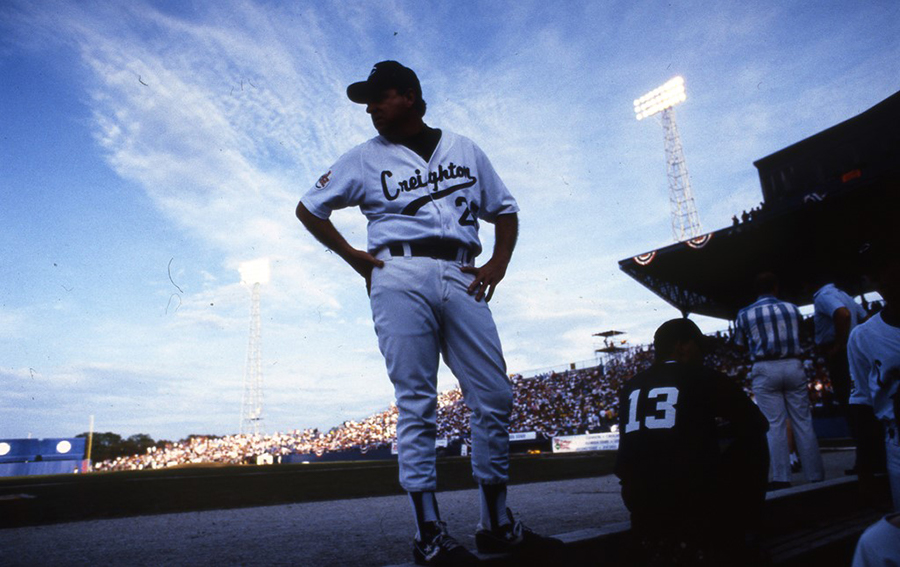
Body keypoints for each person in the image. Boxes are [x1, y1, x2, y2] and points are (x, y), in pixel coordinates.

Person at [295, 61, 559, 565]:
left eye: (379, 96)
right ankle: (428, 533)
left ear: (411, 96)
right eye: (367, 100)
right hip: (397, 273)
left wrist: (497, 264)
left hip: (463, 271)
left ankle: (495, 523)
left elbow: (504, 208)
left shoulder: (463, 148)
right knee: (416, 400)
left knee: (494, 394)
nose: (370, 107)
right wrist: (353, 257)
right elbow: (310, 207)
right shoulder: (362, 158)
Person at [615, 318, 769, 565]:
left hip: (638, 498)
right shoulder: (702, 376)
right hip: (689, 495)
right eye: (699, 346)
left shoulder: (630, 386)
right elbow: (757, 423)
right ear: (682, 346)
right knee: (754, 441)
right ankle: (749, 532)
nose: (703, 355)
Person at [734, 272, 825, 489]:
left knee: (774, 425)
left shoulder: (745, 313)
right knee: (803, 421)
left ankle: (782, 477)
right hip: (793, 363)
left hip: (765, 367)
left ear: (757, 290)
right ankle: (815, 475)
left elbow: (739, 345)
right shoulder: (792, 308)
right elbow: (799, 334)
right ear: (775, 288)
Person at [848, 241, 900, 511]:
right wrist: (865, 468)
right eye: (876, 275)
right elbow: (864, 404)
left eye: (889, 269)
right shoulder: (863, 336)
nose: (884, 280)